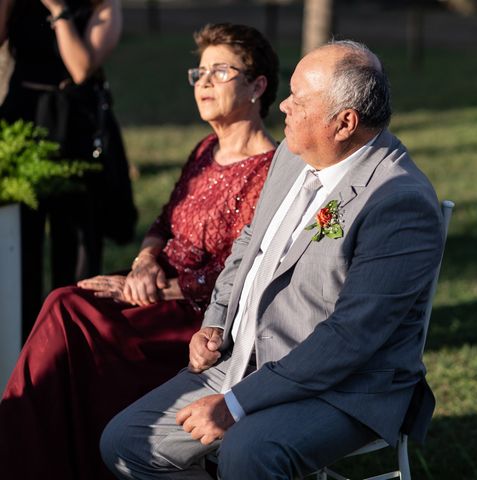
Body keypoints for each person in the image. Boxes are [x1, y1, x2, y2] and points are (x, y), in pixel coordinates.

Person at [101, 39, 444, 479]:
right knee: (126, 442)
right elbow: (249, 243)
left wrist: (235, 405)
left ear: (344, 123)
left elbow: (351, 339)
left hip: (342, 388)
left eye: (299, 99)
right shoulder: (291, 153)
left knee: (247, 452)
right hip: (242, 360)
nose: (282, 106)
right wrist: (216, 319)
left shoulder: (398, 202)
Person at [0, 22, 279, 480]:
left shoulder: (270, 170)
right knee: (66, 303)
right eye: (199, 73)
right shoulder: (206, 149)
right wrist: (145, 262)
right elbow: (162, 222)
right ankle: (28, 454)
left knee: (67, 306)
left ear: (257, 85)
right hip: (151, 293)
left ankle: (26, 456)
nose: (204, 82)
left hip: (197, 322)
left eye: (220, 71)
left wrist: (157, 288)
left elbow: (245, 271)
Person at [0, 0, 137, 341]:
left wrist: (59, 10)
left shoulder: (102, 6)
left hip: (76, 125)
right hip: (25, 121)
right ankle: (22, 343)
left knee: (77, 243)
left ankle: (70, 341)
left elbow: (80, 67)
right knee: (21, 244)